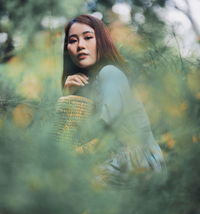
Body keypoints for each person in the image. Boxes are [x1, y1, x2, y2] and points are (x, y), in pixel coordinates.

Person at [61, 14, 166, 187]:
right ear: (67, 49)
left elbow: (107, 134)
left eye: (88, 37)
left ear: (101, 41)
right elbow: (69, 137)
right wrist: (69, 97)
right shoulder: (88, 86)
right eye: (73, 41)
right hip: (113, 163)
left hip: (134, 166)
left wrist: (69, 156)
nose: (80, 45)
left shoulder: (109, 73)